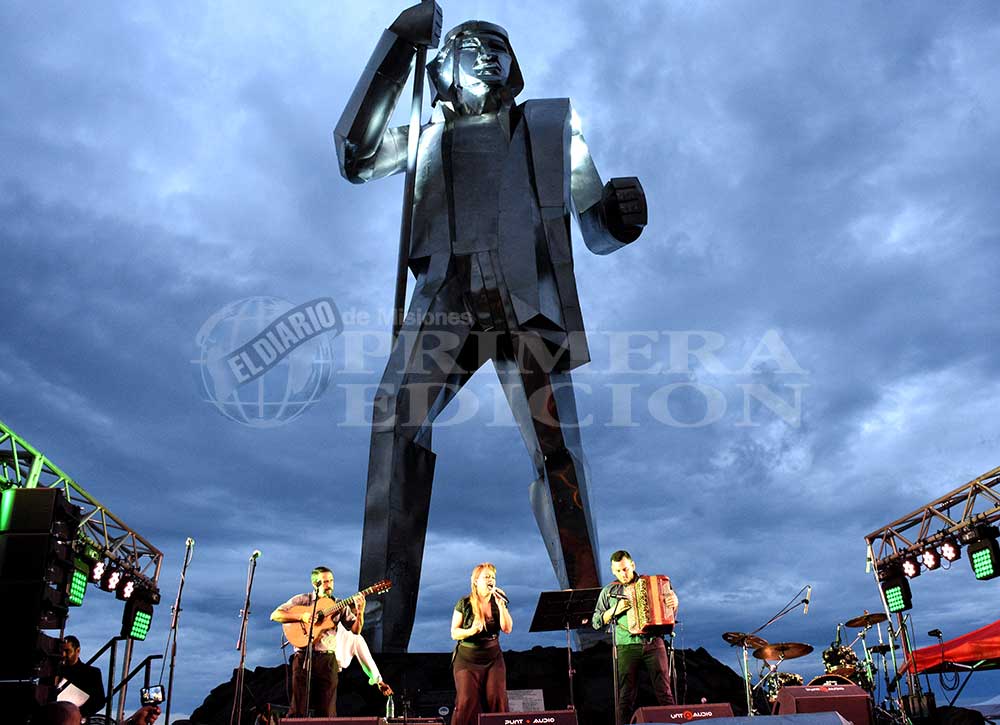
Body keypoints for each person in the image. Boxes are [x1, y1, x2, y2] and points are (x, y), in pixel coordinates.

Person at [336, 2, 648, 653]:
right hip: (446, 299)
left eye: (498, 46)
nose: (487, 54)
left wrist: (620, 216)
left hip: (526, 300)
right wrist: (396, 45)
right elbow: (355, 153)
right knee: (395, 418)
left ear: (515, 67)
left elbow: (595, 221)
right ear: (442, 67)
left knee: (558, 453)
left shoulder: (549, 127)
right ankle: (378, 638)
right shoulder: (424, 137)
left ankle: (595, 641)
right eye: (471, 44)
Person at [592, 550, 679, 725]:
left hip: (654, 642)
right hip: (626, 646)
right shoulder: (608, 591)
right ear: (613, 571)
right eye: (618, 571)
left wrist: (674, 603)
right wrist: (615, 609)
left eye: (625, 569)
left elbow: (669, 612)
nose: (622, 574)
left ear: (632, 565)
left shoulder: (652, 583)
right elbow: (596, 622)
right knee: (626, 696)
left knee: (665, 693)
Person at [270, 566, 366, 717]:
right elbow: (275, 615)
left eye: (331, 581)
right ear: (315, 584)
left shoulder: (339, 604)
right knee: (298, 708)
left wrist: (360, 612)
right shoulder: (303, 600)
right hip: (303, 658)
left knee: (327, 710)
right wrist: (302, 617)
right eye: (325, 581)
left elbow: (356, 631)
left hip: (326, 660)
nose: (330, 585)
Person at [450, 563, 513, 725]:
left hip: (493, 658)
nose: (491, 580)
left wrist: (502, 606)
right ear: (476, 581)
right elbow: (454, 633)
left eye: (493, 577)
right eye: (486, 577)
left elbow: (507, 628)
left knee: (497, 698)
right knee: (467, 701)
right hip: (467, 659)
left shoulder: (498, 601)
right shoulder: (464, 603)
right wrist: (471, 630)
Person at [335, 621, 394, 696]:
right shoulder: (336, 626)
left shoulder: (354, 636)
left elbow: (367, 659)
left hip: (329, 674)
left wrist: (380, 682)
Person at [57, 636, 106, 720]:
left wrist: (77, 714)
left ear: (78, 651)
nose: (63, 654)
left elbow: (99, 702)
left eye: (67, 651)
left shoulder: (92, 673)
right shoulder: (52, 672)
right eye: (61, 651)